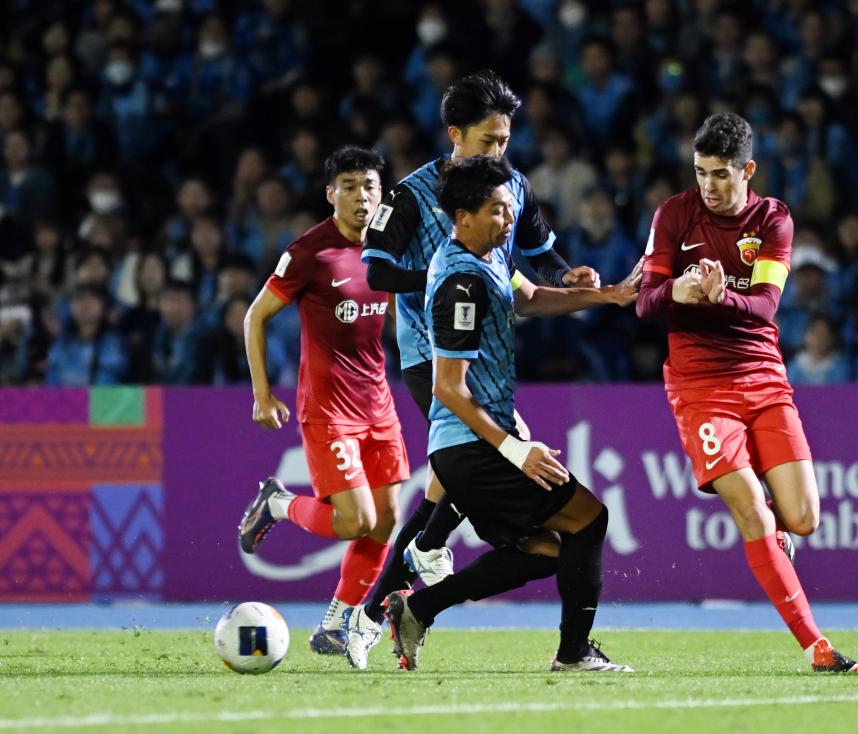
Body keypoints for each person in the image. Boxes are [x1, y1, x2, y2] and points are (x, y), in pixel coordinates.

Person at [351, 70, 599, 670]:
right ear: (454, 135)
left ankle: (391, 596)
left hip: (487, 357)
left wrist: (566, 274)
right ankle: (393, 593)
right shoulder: (410, 195)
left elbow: (538, 253)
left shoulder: (513, 187)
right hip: (430, 356)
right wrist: (451, 273)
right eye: (488, 141)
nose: (499, 152)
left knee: (456, 492)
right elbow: (377, 271)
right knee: (475, 466)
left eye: (505, 140)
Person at [384, 155, 636, 672]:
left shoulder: (490, 256)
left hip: (472, 446)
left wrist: (606, 296)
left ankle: (418, 609)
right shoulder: (461, 282)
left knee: (546, 551)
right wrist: (516, 450)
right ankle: (573, 653)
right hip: (473, 446)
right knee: (589, 519)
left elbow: (532, 298)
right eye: (497, 210)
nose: (509, 219)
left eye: (509, 208)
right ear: (463, 217)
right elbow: (448, 388)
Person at [636, 112, 858, 673]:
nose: (708, 186)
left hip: (762, 376)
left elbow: (764, 306)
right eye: (700, 172)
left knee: (802, 519)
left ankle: (780, 533)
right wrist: (676, 291)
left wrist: (718, 297)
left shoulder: (774, 220)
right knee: (750, 509)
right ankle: (815, 645)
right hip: (700, 385)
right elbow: (644, 303)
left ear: (747, 170)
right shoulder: (674, 214)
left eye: (720, 174)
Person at [237, 145, 410, 658]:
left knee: (386, 520)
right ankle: (277, 503)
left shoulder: (387, 247)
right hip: (329, 411)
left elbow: (397, 316)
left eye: (370, 187)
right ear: (331, 194)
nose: (362, 197)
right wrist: (262, 394)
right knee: (354, 521)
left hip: (379, 405)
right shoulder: (310, 252)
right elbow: (255, 317)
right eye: (350, 187)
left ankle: (335, 624)